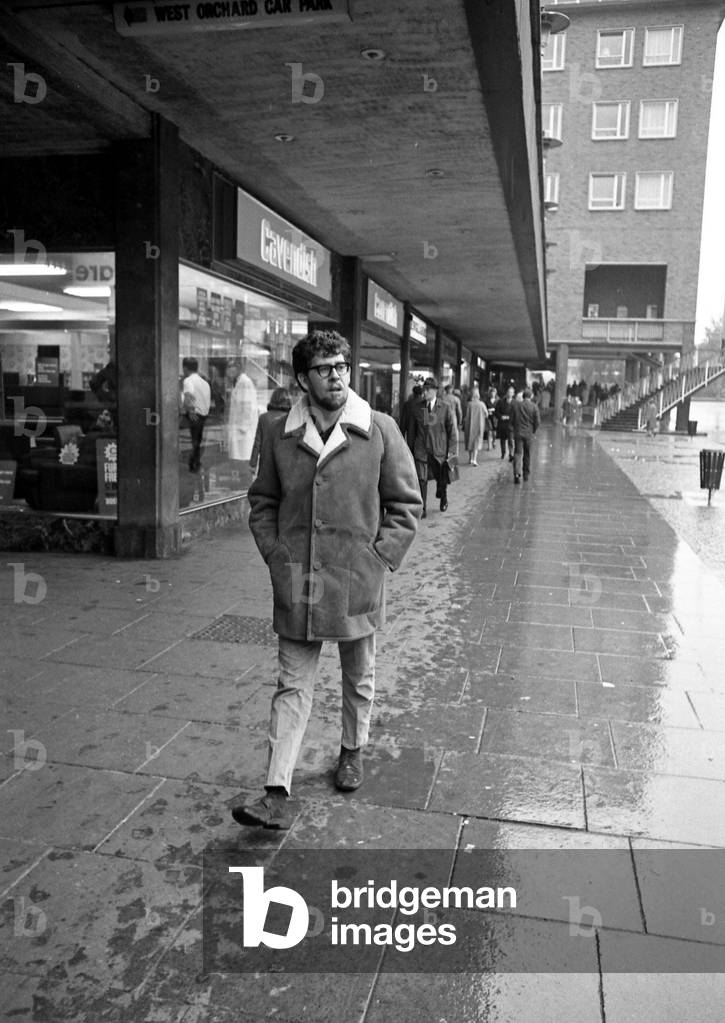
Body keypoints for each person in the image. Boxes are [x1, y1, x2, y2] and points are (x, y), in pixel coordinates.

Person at [232, 330, 422, 830]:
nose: (336, 375)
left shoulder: (378, 429)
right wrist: (276, 555)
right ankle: (275, 789)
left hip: (358, 581)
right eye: (325, 368)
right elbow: (262, 502)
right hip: (298, 581)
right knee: (291, 684)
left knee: (358, 677)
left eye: (341, 366)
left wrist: (379, 559)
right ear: (302, 378)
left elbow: (406, 505)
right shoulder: (279, 432)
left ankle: (351, 751)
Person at [408, 376, 455, 518]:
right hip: (421, 449)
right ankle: (423, 508)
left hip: (439, 450)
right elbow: (412, 431)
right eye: (424, 389)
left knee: (441, 479)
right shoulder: (418, 408)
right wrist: (409, 450)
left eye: (428, 390)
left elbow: (451, 431)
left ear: (435, 391)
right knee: (421, 479)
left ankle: (444, 496)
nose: (425, 392)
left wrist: (451, 451)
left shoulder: (445, 408)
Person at [226, 360, 259, 487]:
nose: (228, 370)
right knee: (241, 462)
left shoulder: (244, 382)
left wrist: (241, 429)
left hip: (243, 434)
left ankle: (245, 489)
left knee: (244, 463)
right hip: (240, 433)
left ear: (238, 368)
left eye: (231, 367)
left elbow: (247, 408)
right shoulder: (239, 382)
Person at [249, 387, 292, 477]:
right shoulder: (291, 419)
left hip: (265, 465)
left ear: (273, 399)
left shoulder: (263, 418)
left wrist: (253, 464)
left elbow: (257, 443)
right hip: (285, 465)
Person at [181, 357, 211, 474]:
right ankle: (196, 465)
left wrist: (188, 410)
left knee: (193, 442)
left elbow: (188, 397)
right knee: (197, 442)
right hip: (204, 416)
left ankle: (192, 465)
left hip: (194, 416)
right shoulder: (204, 382)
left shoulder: (188, 381)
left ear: (185, 368)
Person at [511, 387, 540, 483]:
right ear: (531, 396)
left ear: (523, 396)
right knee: (527, 454)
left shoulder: (516, 406)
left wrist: (514, 429)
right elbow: (537, 422)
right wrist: (533, 430)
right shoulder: (534, 406)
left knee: (518, 453)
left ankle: (517, 473)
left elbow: (512, 420)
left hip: (518, 433)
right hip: (528, 434)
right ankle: (526, 474)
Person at [464, 385, 487, 465]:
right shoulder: (482, 404)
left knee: (470, 441)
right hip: (479, 425)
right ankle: (474, 459)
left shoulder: (469, 404)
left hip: (469, 425)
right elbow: (486, 414)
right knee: (476, 442)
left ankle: (470, 459)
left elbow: (465, 415)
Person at [495, 386, 516, 461]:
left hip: (511, 425)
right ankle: (503, 453)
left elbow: (516, 414)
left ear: (513, 394)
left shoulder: (515, 403)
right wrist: (501, 417)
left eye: (511, 392)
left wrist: (510, 418)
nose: (509, 394)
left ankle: (511, 454)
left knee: (511, 440)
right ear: (506, 393)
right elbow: (496, 412)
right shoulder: (500, 402)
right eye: (508, 392)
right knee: (502, 440)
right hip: (502, 425)